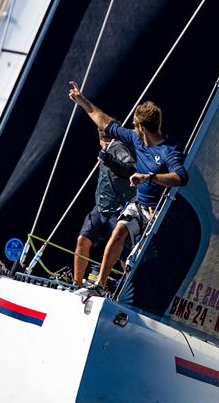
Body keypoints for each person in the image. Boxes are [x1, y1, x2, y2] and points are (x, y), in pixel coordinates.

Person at [68, 81, 188, 294]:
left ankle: (140, 293)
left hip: (157, 212)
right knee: (118, 233)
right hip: (138, 205)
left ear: (142, 127)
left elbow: (180, 177)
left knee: (139, 259)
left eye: (134, 125)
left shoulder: (171, 150)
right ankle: (99, 286)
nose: (133, 128)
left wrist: (149, 177)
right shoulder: (137, 139)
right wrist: (82, 101)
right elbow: (105, 121)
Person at [73, 128, 136, 286]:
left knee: (124, 254)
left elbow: (130, 169)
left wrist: (108, 159)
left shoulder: (119, 148)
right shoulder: (107, 150)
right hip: (100, 209)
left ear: (100, 137)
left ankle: (129, 289)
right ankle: (77, 283)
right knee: (83, 240)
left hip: (118, 211)